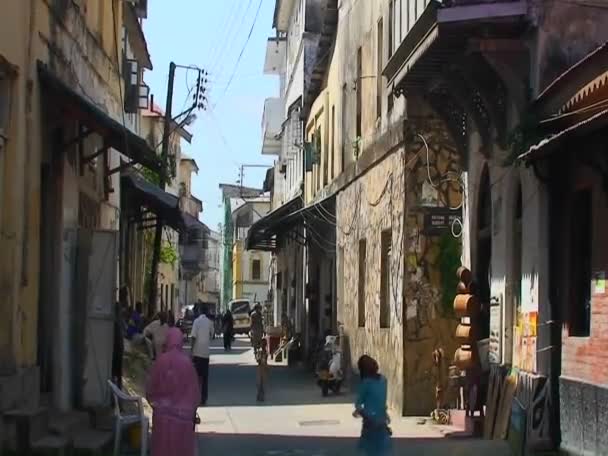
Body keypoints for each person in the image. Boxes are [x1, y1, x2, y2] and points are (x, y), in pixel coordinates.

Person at [147, 328, 200, 456]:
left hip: (162, 418)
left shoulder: (160, 361)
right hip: (184, 419)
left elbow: (150, 389)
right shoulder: (187, 363)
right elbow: (195, 393)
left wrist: (158, 406)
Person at [353, 355, 392, 456]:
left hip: (369, 421)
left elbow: (358, 403)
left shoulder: (366, 383)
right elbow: (380, 400)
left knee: (370, 450)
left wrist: (359, 412)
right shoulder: (383, 380)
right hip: (382, 420)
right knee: (381, 450)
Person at [191, 309, 214, 406]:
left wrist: (191, 350)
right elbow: (212, 335)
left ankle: (195, 397)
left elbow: (193, 337)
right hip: (205, 354)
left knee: (195, 378)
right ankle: (204, 398)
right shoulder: (210, 322)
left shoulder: (196, 321)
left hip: (197, 353)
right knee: (205, 378)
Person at [112, 302, 125, 390]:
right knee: (117, 372)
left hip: (117, 348)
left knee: (115, 372)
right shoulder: (118, 321)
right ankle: (118, 389)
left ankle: (117, 389)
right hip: (118, 348)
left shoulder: (117, 321)